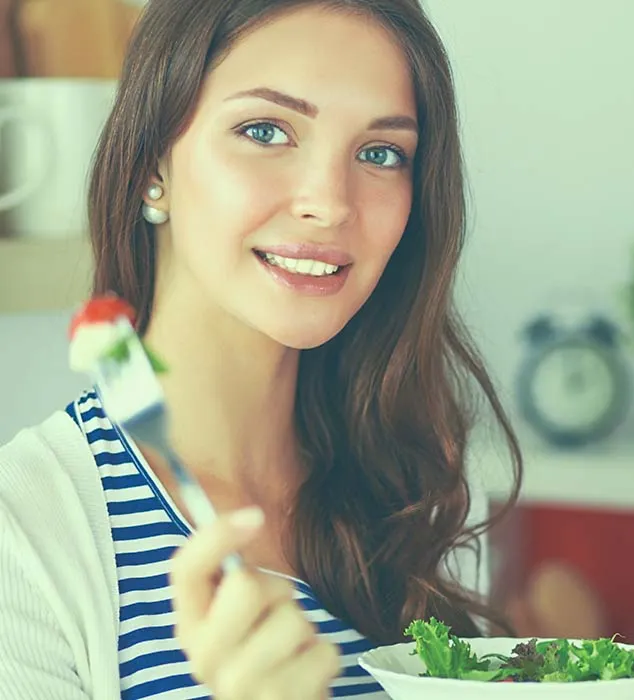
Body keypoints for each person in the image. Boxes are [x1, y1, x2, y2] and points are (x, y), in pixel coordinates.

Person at [0, 0, 523, 698]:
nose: (329, 202)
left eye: (379, 152)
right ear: (153, 161)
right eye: (265, 130)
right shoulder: (23, 532)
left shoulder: (424, 493)